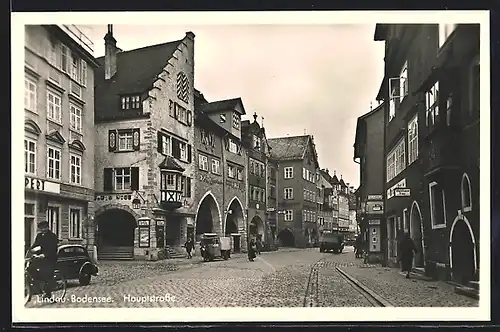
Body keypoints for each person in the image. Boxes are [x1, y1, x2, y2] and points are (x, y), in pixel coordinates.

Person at [30, 221, 58, 298]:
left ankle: (48, 293)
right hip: (40, 258)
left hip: (50, 259)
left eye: (44, 228)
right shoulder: (39, 236)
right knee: (31, 269)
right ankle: (38, 288)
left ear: (47, 227)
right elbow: (36, 244)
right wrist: (31, 250)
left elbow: (53, 249)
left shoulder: (52, 236)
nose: (42, 229)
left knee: (46, 275)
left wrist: (45, 255)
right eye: (41, 228)